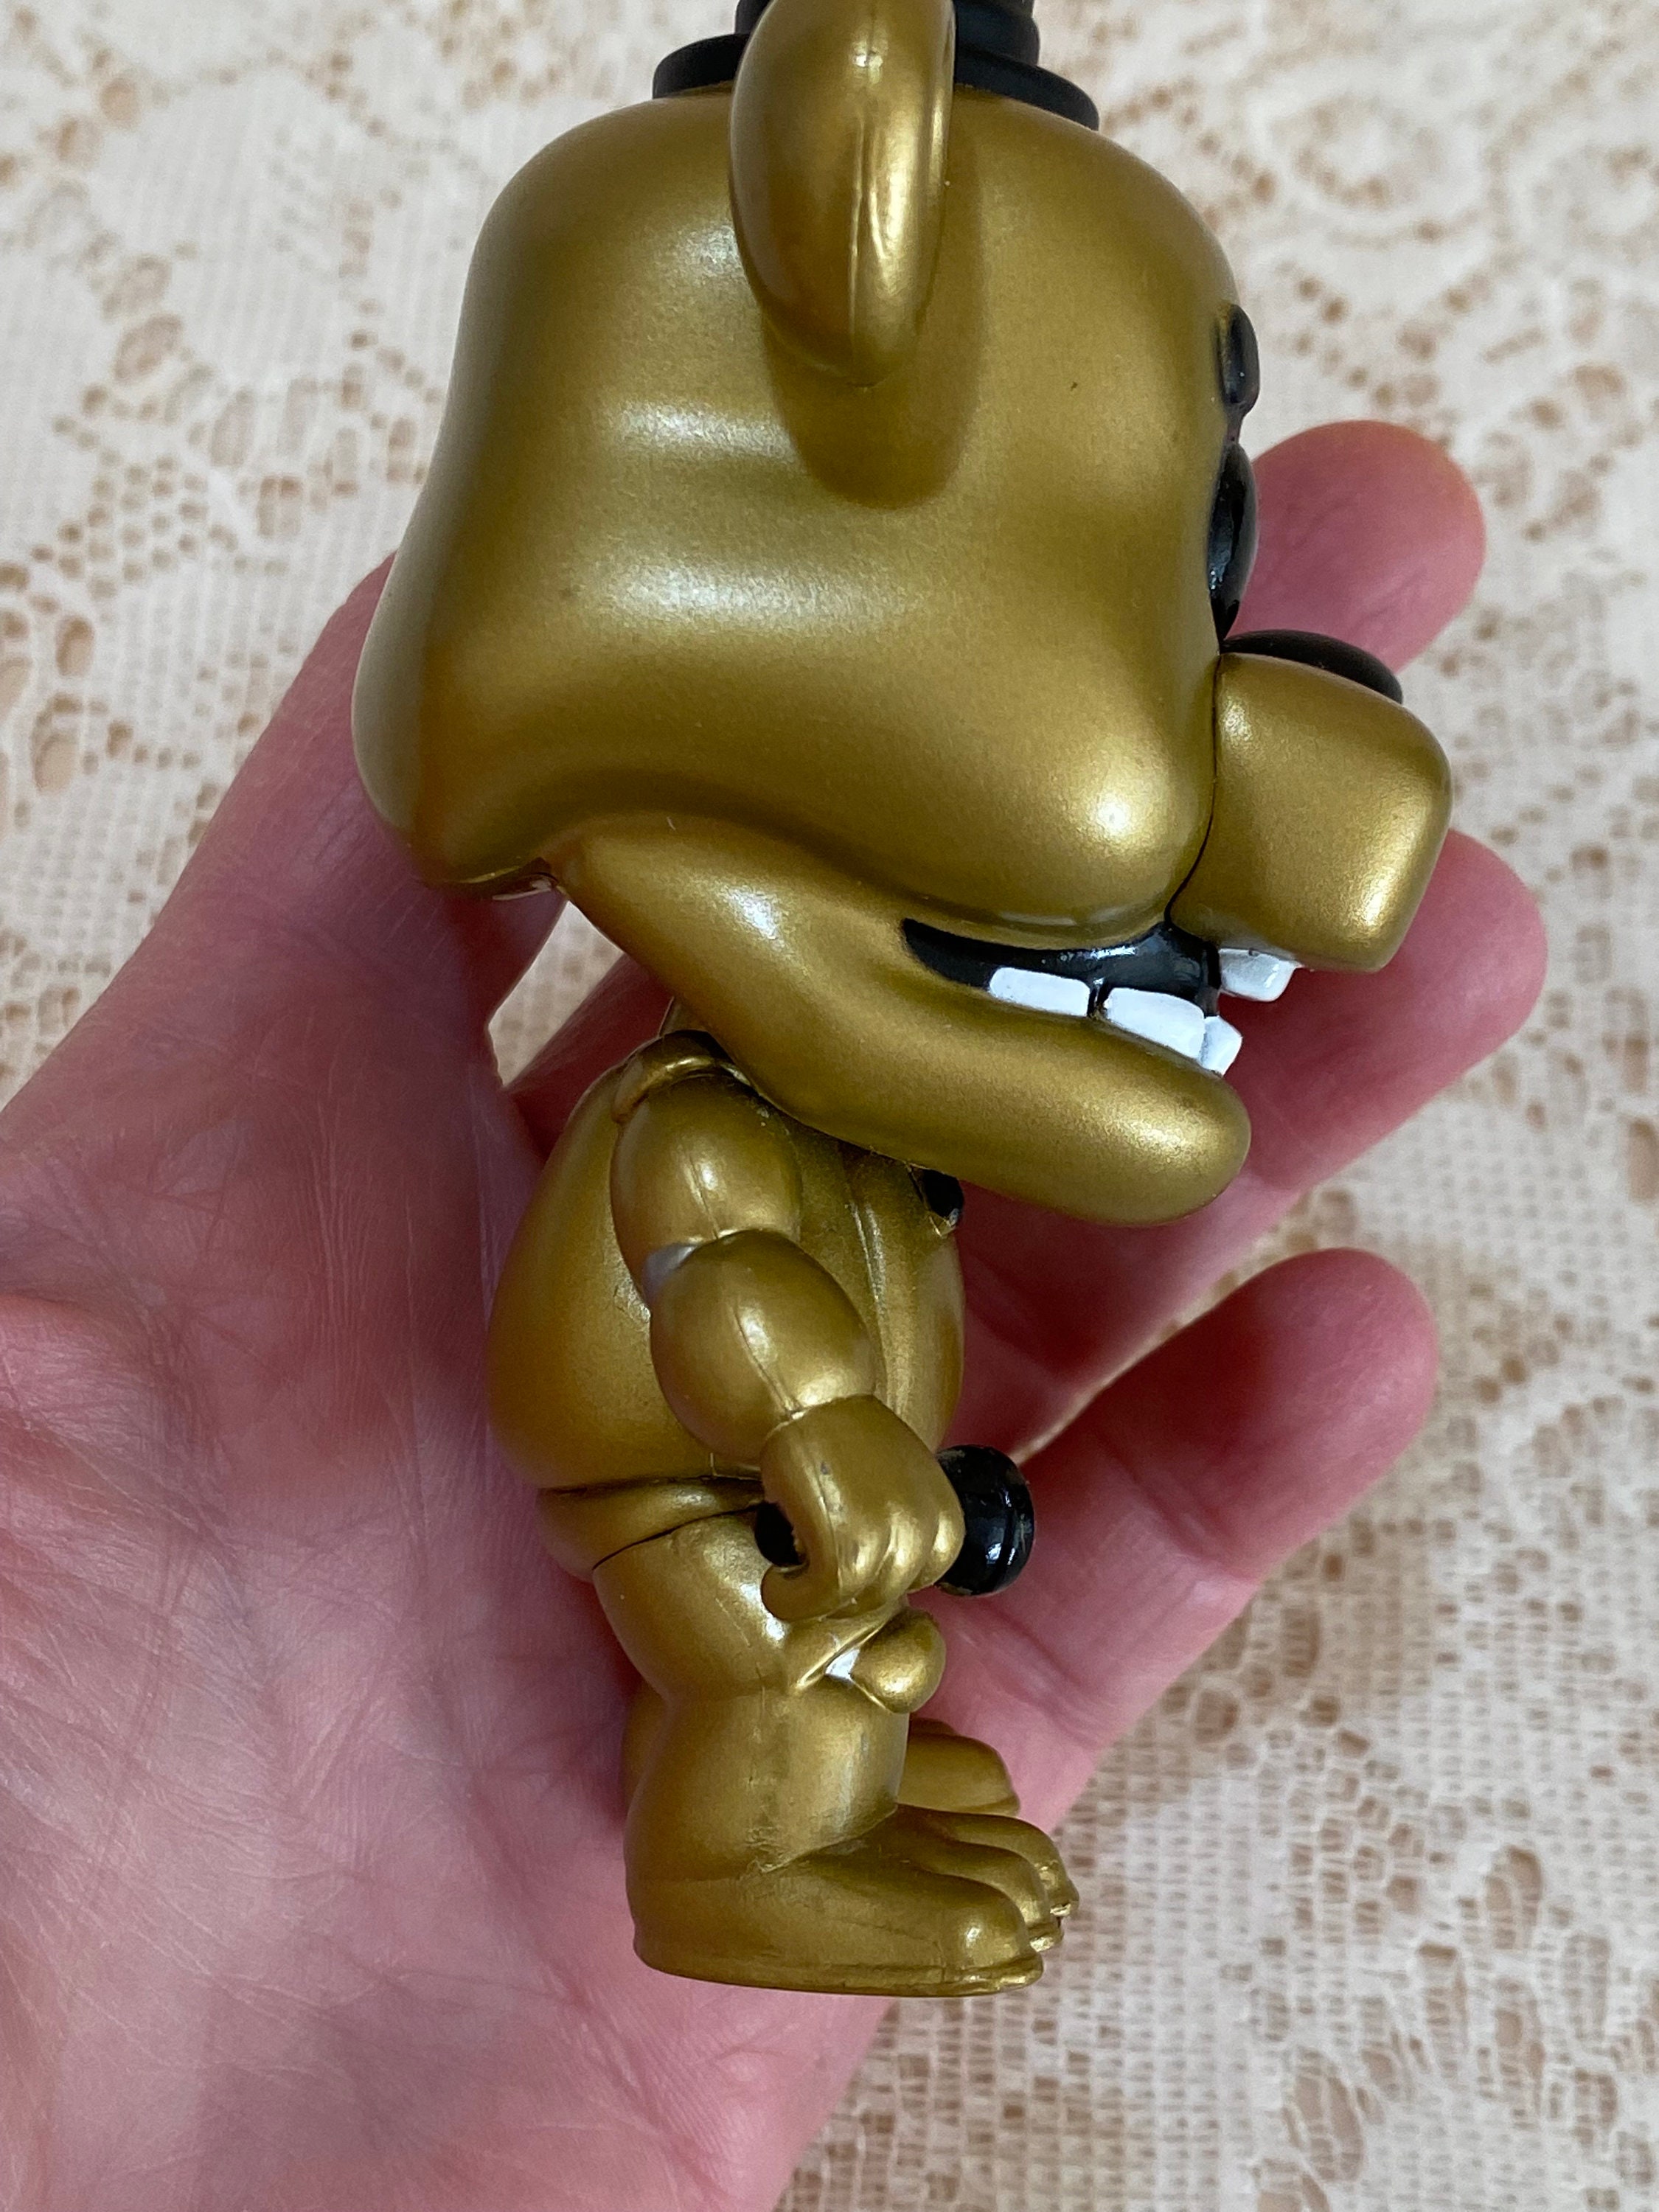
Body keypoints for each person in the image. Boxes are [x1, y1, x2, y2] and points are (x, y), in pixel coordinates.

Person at [0, 420, 1544, 2211]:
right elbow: (711, 1273)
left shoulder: (867, 1137)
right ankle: (737, 1880)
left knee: (855, 1664)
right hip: (693, 1486)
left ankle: (820, 1808)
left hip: (794, 1488)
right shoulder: (702, 1109)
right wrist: (816, 1427)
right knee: (791, 1663)